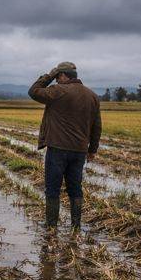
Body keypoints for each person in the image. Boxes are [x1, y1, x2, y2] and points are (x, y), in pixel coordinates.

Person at [28, 61, 101, 231]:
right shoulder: (92, 96)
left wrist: (48, 75)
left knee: (53, 188)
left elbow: (33, 91)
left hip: (58, 149)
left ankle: (51, 226)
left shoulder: (57, 91)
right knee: (75, 188)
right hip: (79, 151)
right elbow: (97, 126)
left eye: (57, 77)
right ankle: (76, 225)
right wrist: (92, 150)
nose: (56, 80)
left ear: (62, 75)